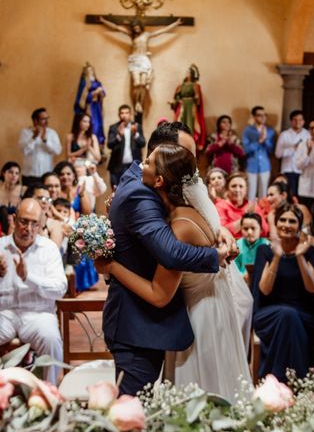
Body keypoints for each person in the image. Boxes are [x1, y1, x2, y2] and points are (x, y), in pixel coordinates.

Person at [95, 121, 241, 397]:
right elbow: (171, 253)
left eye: (191, 156)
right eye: (181, 153)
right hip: (138, 325)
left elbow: (185, 230)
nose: (189, 165)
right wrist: (215, 255)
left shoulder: (159, 196)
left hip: (168, 321)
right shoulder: (143, 194)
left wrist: (217, 230)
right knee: (132, 413)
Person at [0, 198, 68, 383]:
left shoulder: (48, 248)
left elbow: (60, 289)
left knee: (52, 341)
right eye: (24, 221)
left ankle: (48, 397)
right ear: (14, 219)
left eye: (35, 224)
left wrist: (28, 278)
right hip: (2, 314)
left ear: (41, 224)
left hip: (38, 315)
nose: (28, 228)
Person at [252, 204, 314, 381]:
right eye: (282, 219)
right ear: (276, 223)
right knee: (287, 316)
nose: (286, 224)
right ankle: (298, 381)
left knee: (290, 317)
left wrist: (299, 256)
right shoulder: (264, 251)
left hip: (303, 314)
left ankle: (273, 380)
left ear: (299, 226)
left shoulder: (308, 252)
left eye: (292, 221)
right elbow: (264, 290)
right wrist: (277, 256)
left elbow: (312, 288)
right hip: (269, 312)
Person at [98, 16, 182, 114]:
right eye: (134, 27)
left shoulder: (146, 35)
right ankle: (136, 103)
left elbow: (161, 31)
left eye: (137, 26)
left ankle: (140, 103)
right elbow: (117, 27)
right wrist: (103, 21)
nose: (136, 28)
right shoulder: (132, 35)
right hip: (135, 60)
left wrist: (175, 24)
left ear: (140, 26)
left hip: (144, 60)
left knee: (143, 84)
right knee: (136, 84)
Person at [216, 172, 269, 239]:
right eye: (233, 186)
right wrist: (247, 215)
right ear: (227, 189)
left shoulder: (252, 205)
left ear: (246, 190)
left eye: (241, 186)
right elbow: (222, 231)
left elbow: (265, 231)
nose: (237, 190)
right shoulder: (220, 206)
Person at [19, 108, 62, 187]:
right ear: (35, 120)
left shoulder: (52, 133)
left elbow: (58, 151)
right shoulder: (25, 132)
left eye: (47, 118)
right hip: (29, 175)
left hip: (47, 174)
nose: (46, 121)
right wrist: (34, 138)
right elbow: (24, 150)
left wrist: (45, 141)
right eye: (43, 119)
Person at [107, 104, 146, 188]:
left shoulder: (136, 126)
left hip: (133, 167)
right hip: (117, 167)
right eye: (122, 113)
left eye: (127, 113)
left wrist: (136, 134)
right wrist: (119, 136)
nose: (124, 115)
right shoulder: (114, 127)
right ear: (119, 115)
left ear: (130, 114)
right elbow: (109, 145)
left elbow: (143, 143)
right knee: (116, 193)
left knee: (134, 191)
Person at [242, 106, 275, 200]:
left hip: (265, 166)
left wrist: (265, 140)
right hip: (251, 165)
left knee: (264, 194)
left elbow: (271, 150)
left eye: (265, 115)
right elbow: (245, 150)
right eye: (259, 115)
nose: (263, 117)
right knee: (250, 194)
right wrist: (259, 141)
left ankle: (262, 214)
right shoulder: (248, 130)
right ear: (254, 116)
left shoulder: (270, 131)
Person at [171, 64, 206, 149]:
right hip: (182, 107)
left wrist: (196, 98)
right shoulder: (181, 86)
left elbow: (198, 101)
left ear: (192, 74)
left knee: (191, 125)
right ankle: (180, 142)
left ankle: (190, 142)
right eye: (186, 72)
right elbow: (176, 97)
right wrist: (177, 100)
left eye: (188, 72)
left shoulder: (195, 86)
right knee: (179, 124)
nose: (187, 74)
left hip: (191, 108)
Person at [275, 110, 309, 197]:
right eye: (295, 120)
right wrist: (292, 148)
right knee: (289, 195)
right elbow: (278, 154)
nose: (298, 122)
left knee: (301, 196)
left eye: (300, 120)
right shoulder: (284, 135)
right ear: (291, 121)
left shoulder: (308, 135)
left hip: (303, 171)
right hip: (288, 170)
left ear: (304, 121)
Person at [74, 62, 106, 145]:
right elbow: (83, 96)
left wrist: (101, 92)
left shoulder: (97, 82)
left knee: (98, 124)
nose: (90, 72)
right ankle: (88, 142)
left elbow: (103, 93)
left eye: (92, 70)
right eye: (88, 70)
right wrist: (95, 92)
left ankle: (97, 143)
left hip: (97, 107)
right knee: (91, 123)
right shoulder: (85, 82)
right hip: (89, 107)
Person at [235, 213, 269, 279]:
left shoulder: (267, 245)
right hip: (240, 281)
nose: (249, 232)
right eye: (245, 228)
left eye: (253, 228)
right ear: (241, 229)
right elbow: (234, 269)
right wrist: (242, 276)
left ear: (261, 230)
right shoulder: (236, 245)